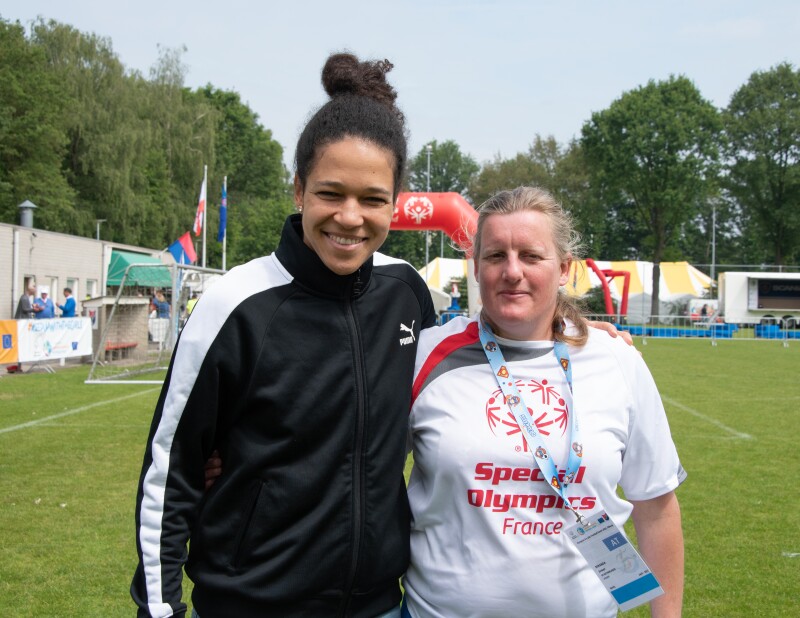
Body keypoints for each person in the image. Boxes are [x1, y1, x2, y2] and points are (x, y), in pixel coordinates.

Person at [131, 52, 436, 618]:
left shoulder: (407, 292)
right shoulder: (234, 302)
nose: (350, 216)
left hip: (380, 606)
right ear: (298, 190)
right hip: (250, 605)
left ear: (396, 203)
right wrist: (161, 607)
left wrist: (573, 332)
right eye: (330, 193)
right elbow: (170, 471)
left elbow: (477, 369)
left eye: (372, 199)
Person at [402, 186, 686, 617]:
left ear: (564, 269)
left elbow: (657, 508)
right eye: (496, 255)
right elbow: (361, 475)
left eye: (531, 256)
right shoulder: (424, 355)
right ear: (475, 267)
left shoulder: (616, 361)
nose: (512, 271)